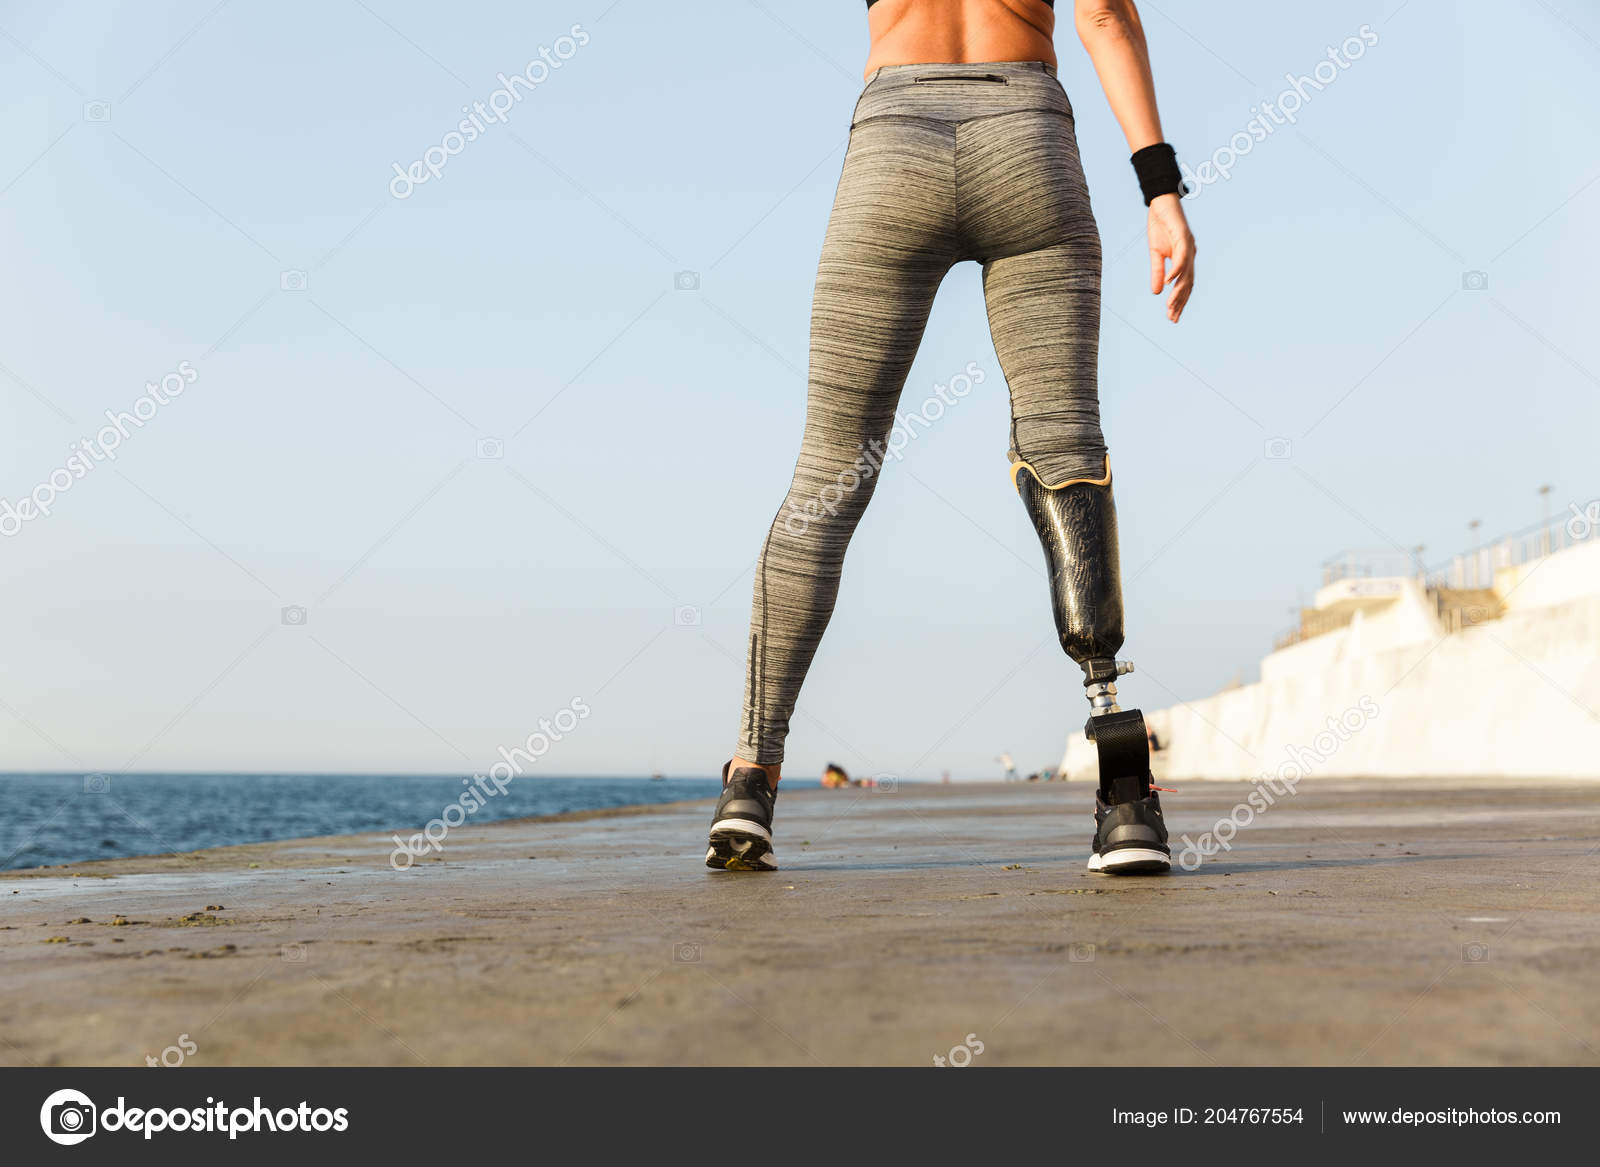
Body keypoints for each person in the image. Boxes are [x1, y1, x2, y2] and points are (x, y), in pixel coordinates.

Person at [706, 0, 1194, 874]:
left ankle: (751, 776)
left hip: (894, 141)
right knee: (1067, 448)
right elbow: (1108, 18)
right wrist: (1160, 189)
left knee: (830, 472)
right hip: (1029, 137)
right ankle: (1125, 791)